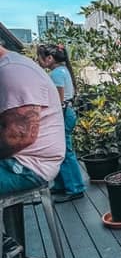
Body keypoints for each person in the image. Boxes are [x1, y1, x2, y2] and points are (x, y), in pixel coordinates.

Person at [0, 45, 65, 195]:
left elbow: (20, 136)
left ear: (50, 59)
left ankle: (72, 188)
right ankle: (70, 187)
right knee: (69, 155)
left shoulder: (13, 71)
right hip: (27, 159)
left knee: (69, 155)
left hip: (28, 165)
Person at [37, 44, 85, 202]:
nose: (39, 62)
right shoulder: (62, 71)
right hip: (67, 113)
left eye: (40, 58)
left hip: (62, 114)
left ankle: (75, 188)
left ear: (50, 58)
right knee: (62, 151)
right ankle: (62, 185)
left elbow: (59, 100)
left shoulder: (57, 74)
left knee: (64, 152)